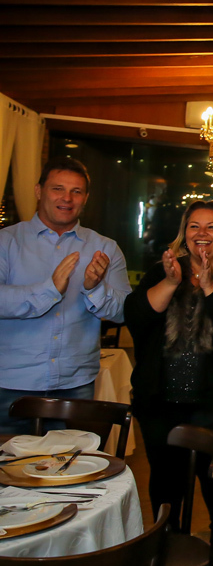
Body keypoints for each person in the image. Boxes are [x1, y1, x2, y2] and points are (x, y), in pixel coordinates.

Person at [123, 199, 213, 566]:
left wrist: (209, 284)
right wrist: (170, 282)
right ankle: (168, 556)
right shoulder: (162, 271)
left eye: (212, 227)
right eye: (195, 226)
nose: (202, 233)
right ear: (184, 233)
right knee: (165, 487)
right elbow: (136, 316)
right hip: (160, 403)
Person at [0, 157, 130, 433]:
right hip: (9, 386)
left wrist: (95, 288)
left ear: (85, 198)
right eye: (57, 188)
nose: (67, 198)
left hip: (75, 387)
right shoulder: (6, 242)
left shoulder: (105, 248)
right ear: (39, 191)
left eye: (76, 191)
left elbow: (123, 312)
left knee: (73, 459)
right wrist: (49, 289)